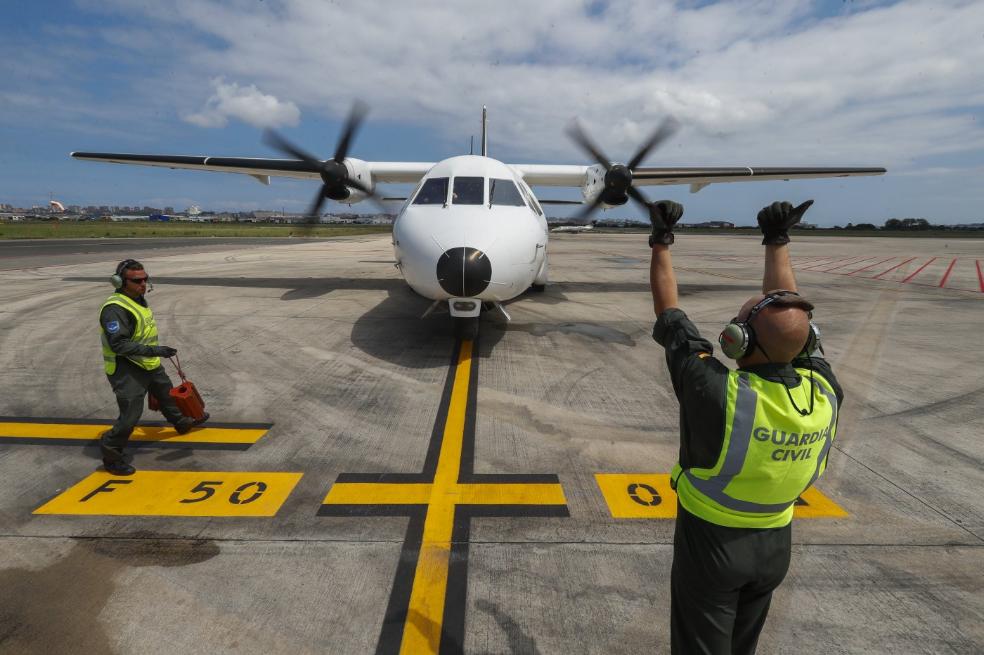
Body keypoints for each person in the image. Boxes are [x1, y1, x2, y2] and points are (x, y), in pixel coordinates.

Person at [647, 200, 844, 654]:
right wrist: (777, 241)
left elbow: (669, 313)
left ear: (737, 342)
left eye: (737, 324)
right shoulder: (823, 391)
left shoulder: (715, 391)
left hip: (712, 546)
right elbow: (793, 322)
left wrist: (661, 242)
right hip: (775, 546)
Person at [98, 259, 208, 475]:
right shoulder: (114, 309)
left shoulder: (138, 299)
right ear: (120, 281)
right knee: (131, 414)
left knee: (166, 394)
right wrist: (158, 351)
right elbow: (119, 345)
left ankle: (181, 422)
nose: (143, 284)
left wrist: (155, 354)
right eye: (137, 280)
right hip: (126, 366)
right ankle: (111, 454)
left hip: (148, 361)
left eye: (145, 279)